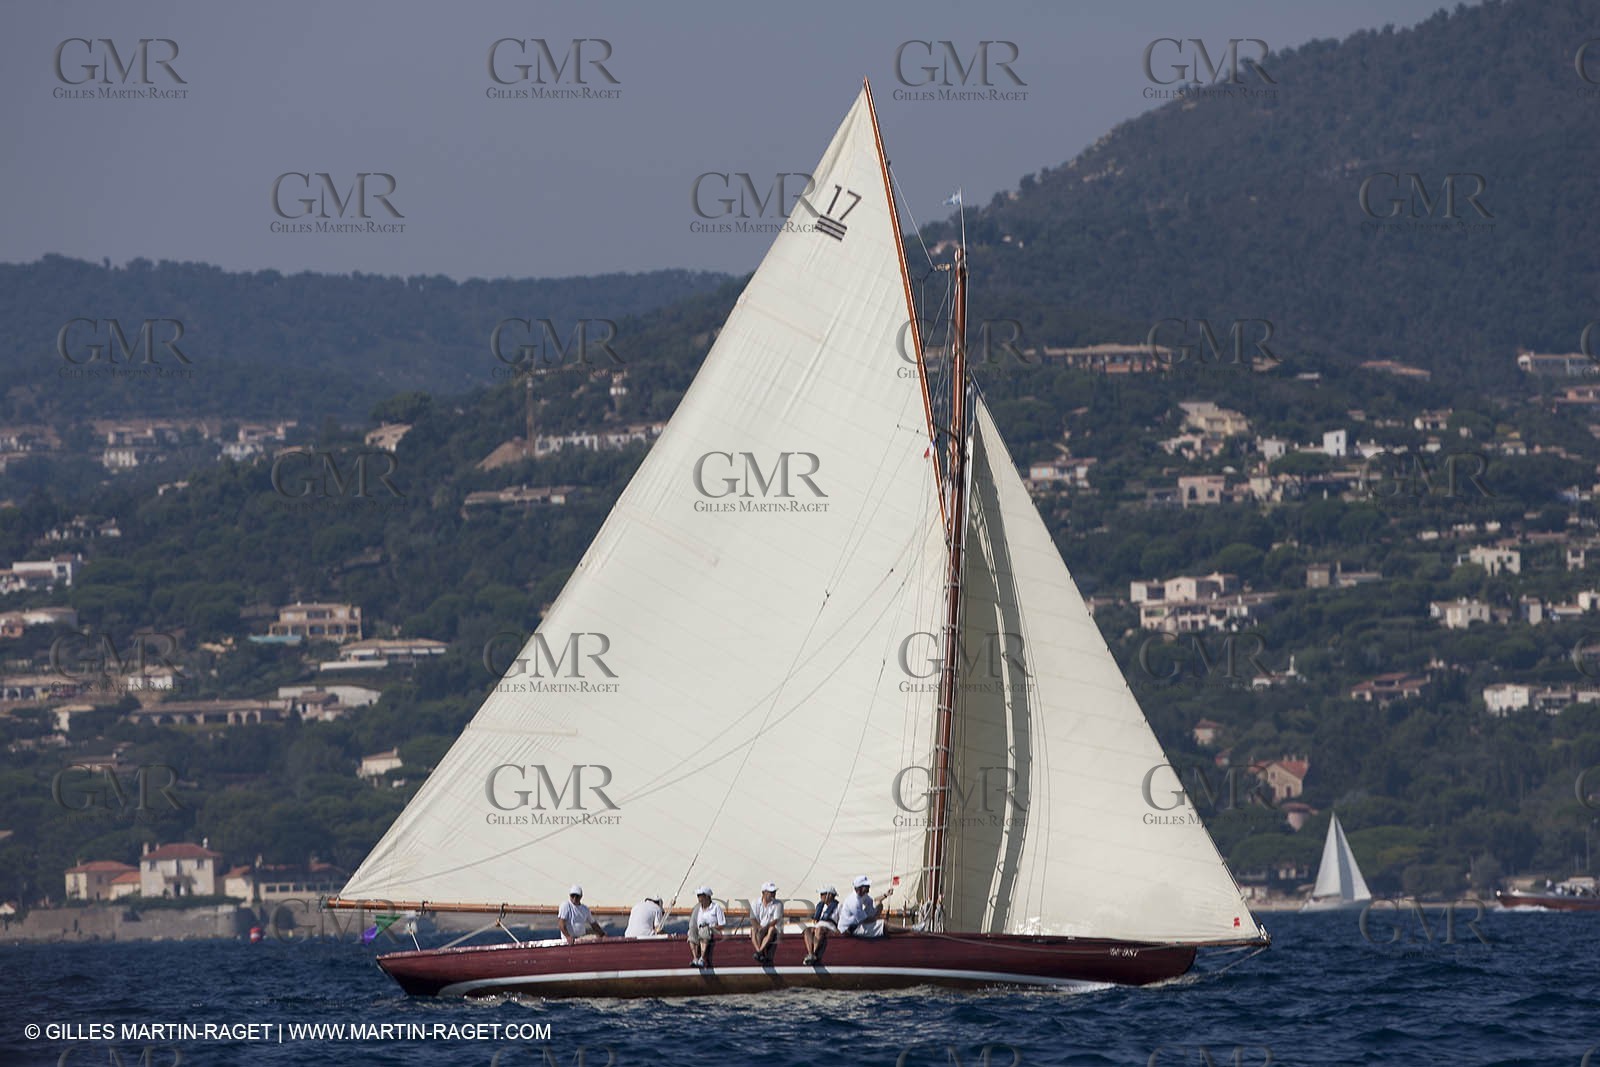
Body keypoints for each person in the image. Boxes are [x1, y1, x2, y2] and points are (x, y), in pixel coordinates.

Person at [687, 886, 724, 967]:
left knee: (704, 930)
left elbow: (722, 925)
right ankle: (695, 958)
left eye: (700, 895)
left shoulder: (716, 907)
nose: (698, 897)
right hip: (701, 931)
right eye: (698, 895)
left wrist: (710, 927)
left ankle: (702, 959)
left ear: (707, 896)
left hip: (712, 930)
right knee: (691, 932)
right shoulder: (698, 908)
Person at [802, 885, 839, 964]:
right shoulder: (820, 906)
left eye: (823, 894)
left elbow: (841, 921)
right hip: (818, 926)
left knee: (819, 929)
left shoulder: (838, 906)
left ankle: (814, 953)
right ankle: (810, 954)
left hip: (830, 927)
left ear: (829, 895)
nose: (821, 896)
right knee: (807, 930)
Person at [749, 881, 782, 962]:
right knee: (754, 930)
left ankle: (759, 952)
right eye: (771, 892)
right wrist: (759, 927)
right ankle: (760, 951)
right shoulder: (755, 903)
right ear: (763, 893)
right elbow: (753, 919)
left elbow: (775, 920)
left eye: (774, 892)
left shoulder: (778, 904)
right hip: (760, 927)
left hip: (772, 927)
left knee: (771, 930)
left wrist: (764, 928)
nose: (773, 894)